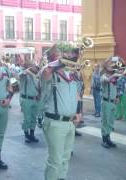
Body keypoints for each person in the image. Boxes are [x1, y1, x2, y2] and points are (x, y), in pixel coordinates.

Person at [40, 43, 81, 180]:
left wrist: (78, 112)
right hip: (55, 122)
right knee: (55, 161)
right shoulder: (48, 72)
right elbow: (46, 72)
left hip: (70, 122)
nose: (65, 58)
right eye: (59, 56)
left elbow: (77, 95)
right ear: (52, 59)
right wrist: (61, 60)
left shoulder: (71, 75)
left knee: (65, 159)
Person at [100, 56, 123, 148]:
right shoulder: (103, 75)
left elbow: (116, 87)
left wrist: (117, 96)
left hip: (113, 101)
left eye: (112, 64)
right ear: (105, 67)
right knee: (105, 121)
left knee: (111, 122)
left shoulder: (115, 76)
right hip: (106, 101)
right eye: (109, 65)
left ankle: (108, 138)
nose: (111, 66)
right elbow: (107, 80)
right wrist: (115, 73)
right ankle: (104, 140)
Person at [17, 58, 41, 143]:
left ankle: (32, 134)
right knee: (27, 118)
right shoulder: (24, 75)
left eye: (35, 66)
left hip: (35, 100)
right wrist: (28, 70)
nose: (35, 68)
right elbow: (20, 75)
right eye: (33, 66)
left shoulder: (36, 76)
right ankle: (26, 135)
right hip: (26, 99)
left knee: (34, 118)